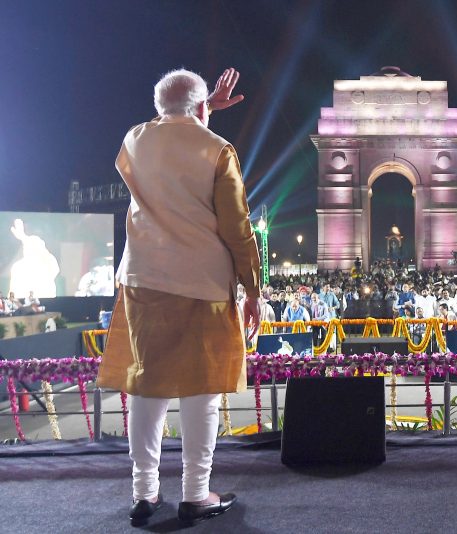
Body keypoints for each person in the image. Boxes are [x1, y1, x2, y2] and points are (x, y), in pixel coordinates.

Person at [96, 68, 260, 525]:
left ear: (158, 108)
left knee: (145, 388)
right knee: (200, 391)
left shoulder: (135, 139)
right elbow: (238, 228)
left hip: (142, 279)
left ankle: (144, 493)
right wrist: (253, 289)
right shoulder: (217, 150)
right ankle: (196, 493)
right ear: (203, 108)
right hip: (202, 284)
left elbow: (170, 141)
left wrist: (200, 111)